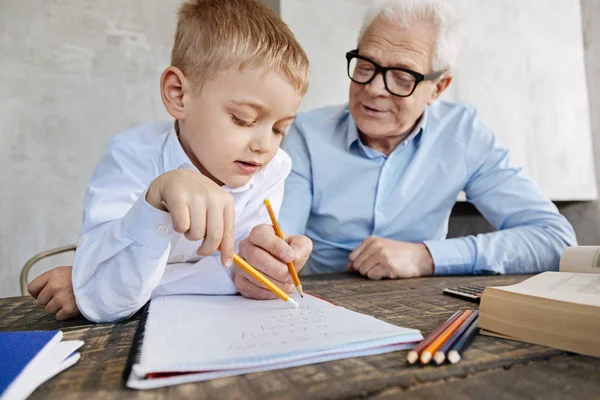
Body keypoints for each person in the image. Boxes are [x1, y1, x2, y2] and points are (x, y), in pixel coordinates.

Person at [29, 0, 312, 323]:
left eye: (280, 129)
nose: (265, 146)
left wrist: (263, 268)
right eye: (243, 119)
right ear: (179, 94)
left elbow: (235, 274)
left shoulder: (272, 169)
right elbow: (108, 304)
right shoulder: (131, 156)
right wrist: (156, 201)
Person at [278, 0, 576, 279]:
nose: (374, 89)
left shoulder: (462, 133)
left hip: (424, 305)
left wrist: (427, 257)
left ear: (438, 88)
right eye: (365, 66)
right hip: (324, 300)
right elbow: (281, 237)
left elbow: (555, 239)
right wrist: (278, 255)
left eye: (402, 77)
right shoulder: (306, 134)